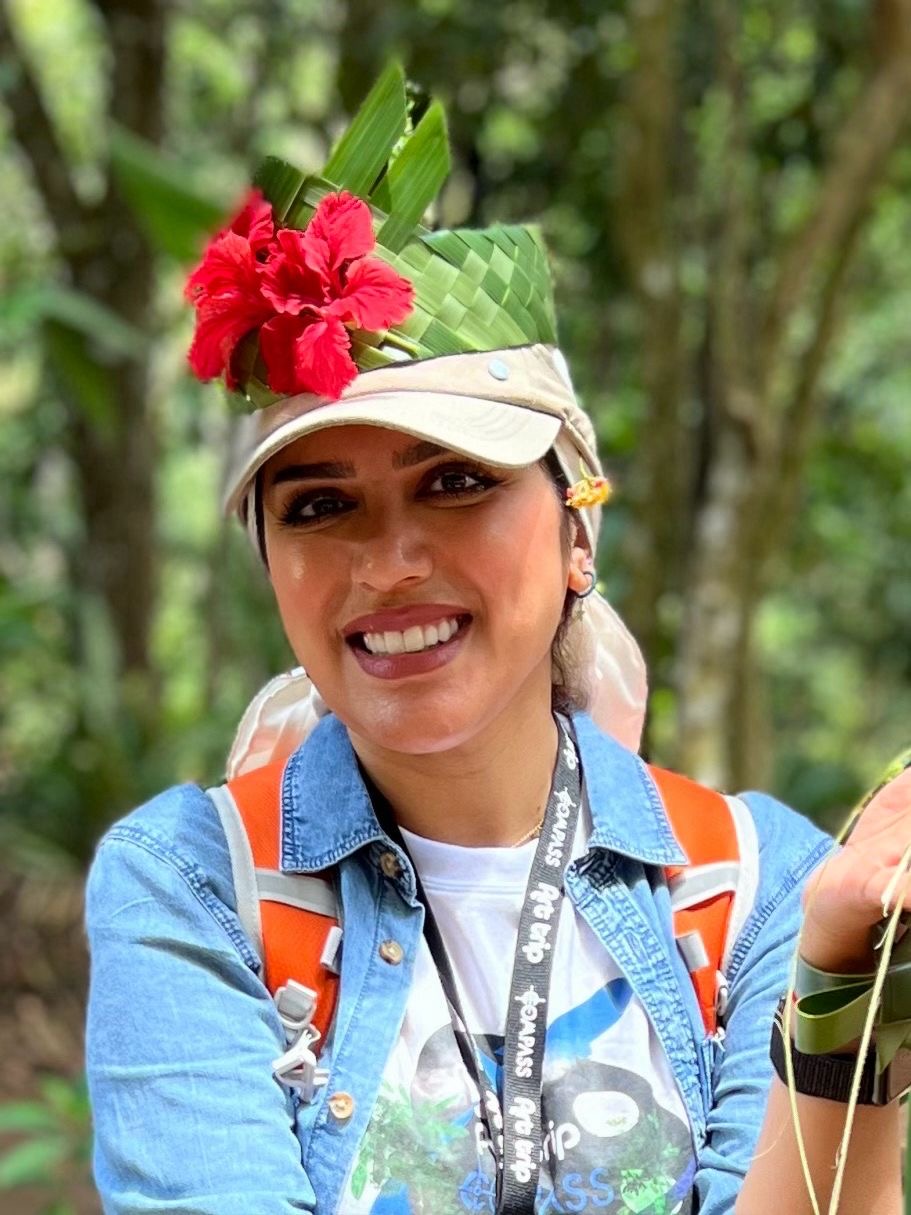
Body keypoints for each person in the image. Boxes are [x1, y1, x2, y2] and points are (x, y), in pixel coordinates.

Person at [84, 65, 911, 1215]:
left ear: (577, 531)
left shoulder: (756, 882)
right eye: (318, 506)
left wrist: (841, 991)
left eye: (458, 482)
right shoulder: (190, 883)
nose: (388, 563)